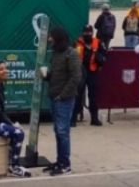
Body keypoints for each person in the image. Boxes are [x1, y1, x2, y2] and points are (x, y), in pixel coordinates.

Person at [43, 27, 82, 176]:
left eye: (51, 37)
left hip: (63, 99)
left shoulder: (71, 54)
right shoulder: (55, 53)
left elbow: (76, 78)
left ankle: (65, 165)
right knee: (58, 131)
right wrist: (47, 76)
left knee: (62, 131)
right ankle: (60, 161)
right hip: (54, 96)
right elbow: (56, 74)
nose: (49, 40)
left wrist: (63, 95)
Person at [0, 60, 32, 177]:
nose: (5, 71)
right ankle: (13, 167)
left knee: (15, 132)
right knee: (18, 133)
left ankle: (10, 163)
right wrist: (11, 124)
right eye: (1, 69)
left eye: (5, 68)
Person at [72, 25, 105, 126]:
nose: (88, 34)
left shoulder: (98, 42)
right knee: (77, 96)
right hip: (80, 72)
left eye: (89, 32)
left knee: (93, 96)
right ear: (82, 33)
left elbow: (105, 54)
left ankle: (94, 118)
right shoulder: (77, 43)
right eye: (86, 32)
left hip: (93, 72)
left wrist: (100, 58)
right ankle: (73, 119)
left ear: (92, 33)